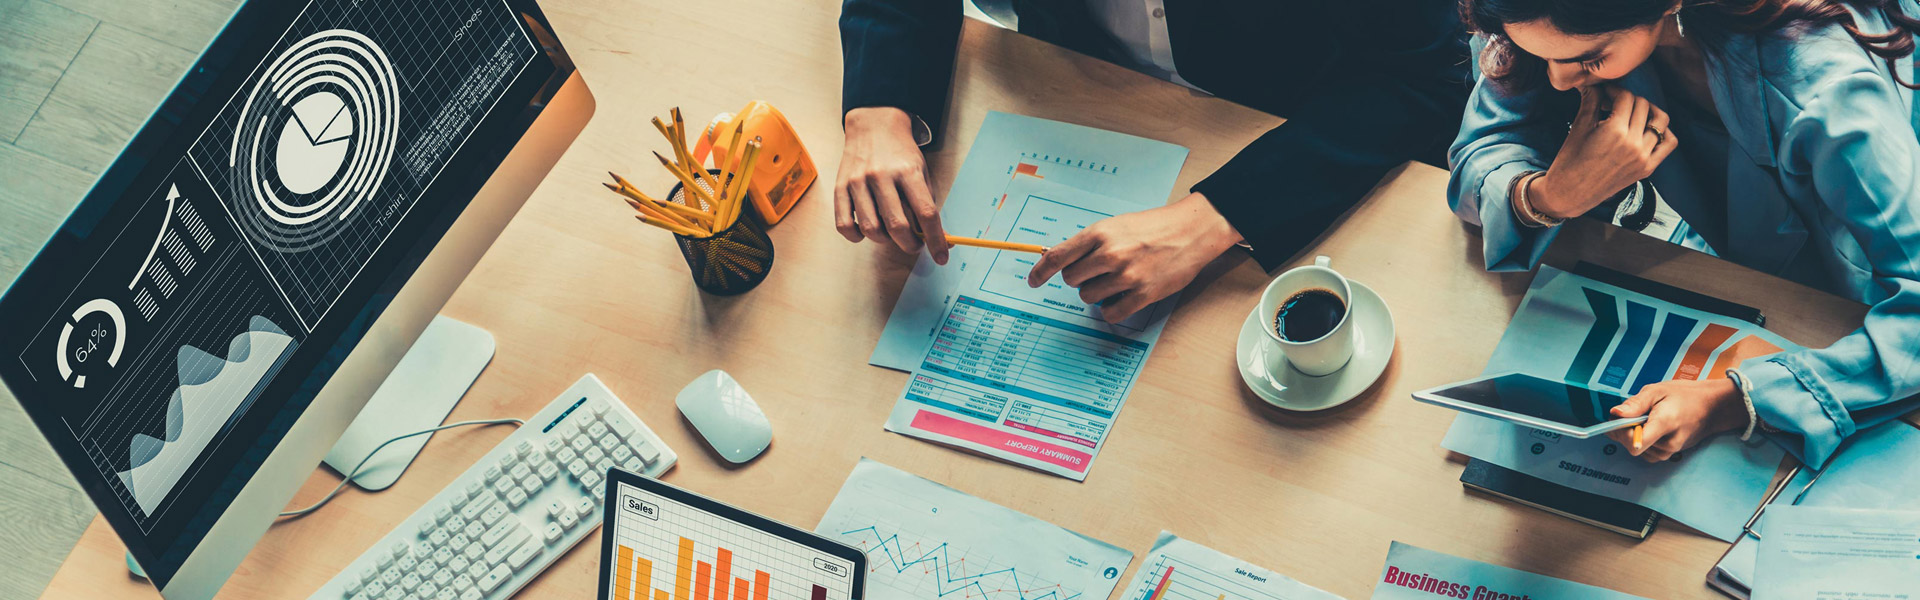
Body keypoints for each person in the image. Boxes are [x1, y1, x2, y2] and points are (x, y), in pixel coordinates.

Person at [1449, 0, 1920, 467]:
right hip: (1748, 282)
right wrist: (1547, 197)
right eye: (1539, 55)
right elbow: (1482, 149)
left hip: (1849, 301)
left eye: (1589, 58)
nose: (1558, 80)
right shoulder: (1543, 17)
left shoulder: (1826, 88)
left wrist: (1735, 402)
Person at [838, 0, 1470, 322]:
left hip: (1280, 120)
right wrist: (879, 108)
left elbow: (1426, 83)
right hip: (1075, 89)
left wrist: (1216, 216)